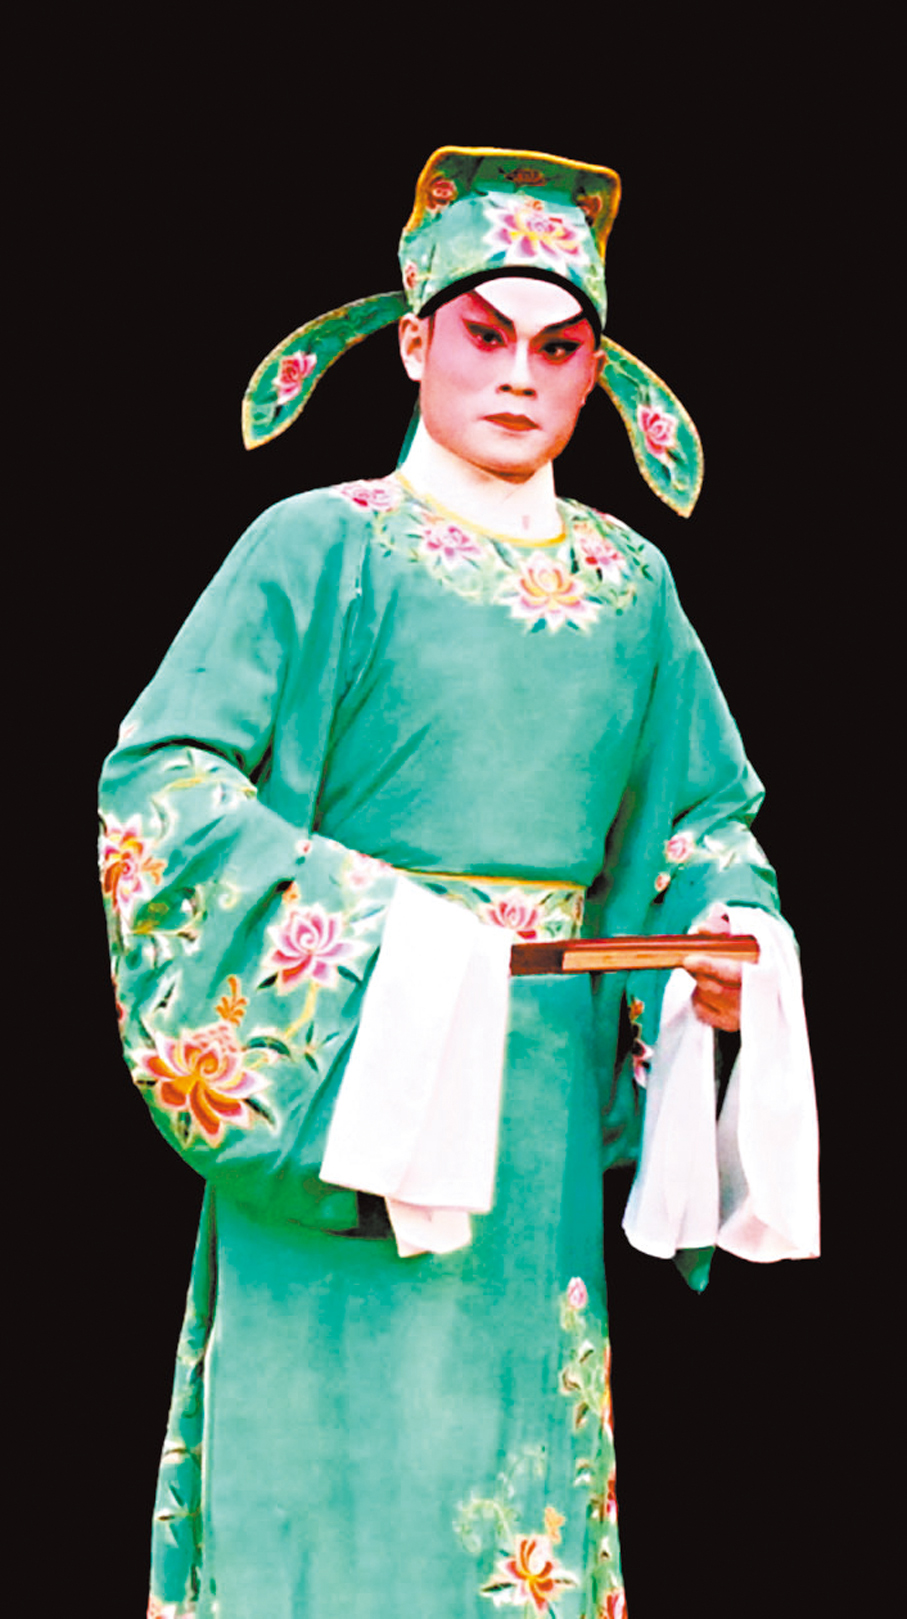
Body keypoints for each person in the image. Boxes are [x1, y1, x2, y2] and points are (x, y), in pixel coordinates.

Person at [99, 147, 818, 1619]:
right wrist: (395, 947)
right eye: (486, 335)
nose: (518, 376)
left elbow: (699, 818)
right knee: (322, 1489)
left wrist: (732, 930)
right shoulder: (323, 545)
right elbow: (162, 783)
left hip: (530, 1112)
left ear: (597, 374)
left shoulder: (632, 589)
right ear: (416, 341)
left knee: (513, 1490)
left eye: (559, 348)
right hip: (345, 1085)